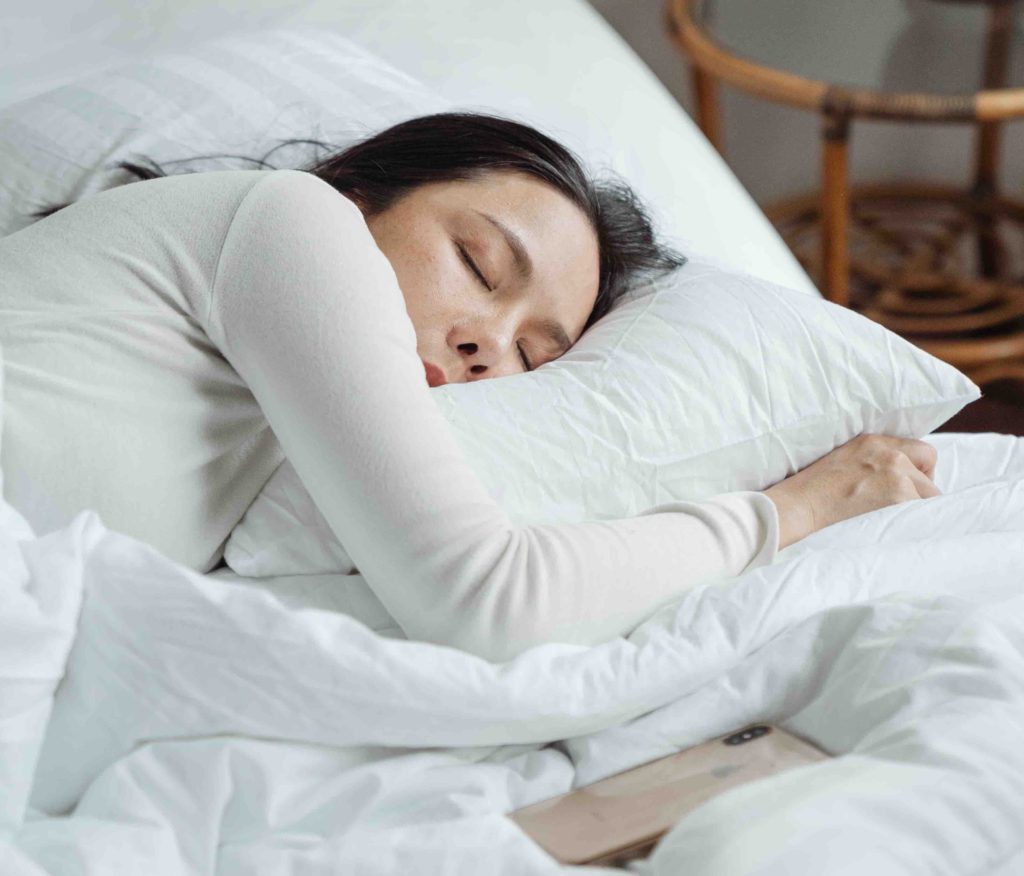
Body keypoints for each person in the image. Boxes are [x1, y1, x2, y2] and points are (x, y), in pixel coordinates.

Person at [0, 112, 940, 662]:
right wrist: (793, 509)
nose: (484, 345)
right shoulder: (293, 219)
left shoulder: (262, 409)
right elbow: (487, 599)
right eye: (478, 266)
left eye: (533, 355)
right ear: (361, 188)